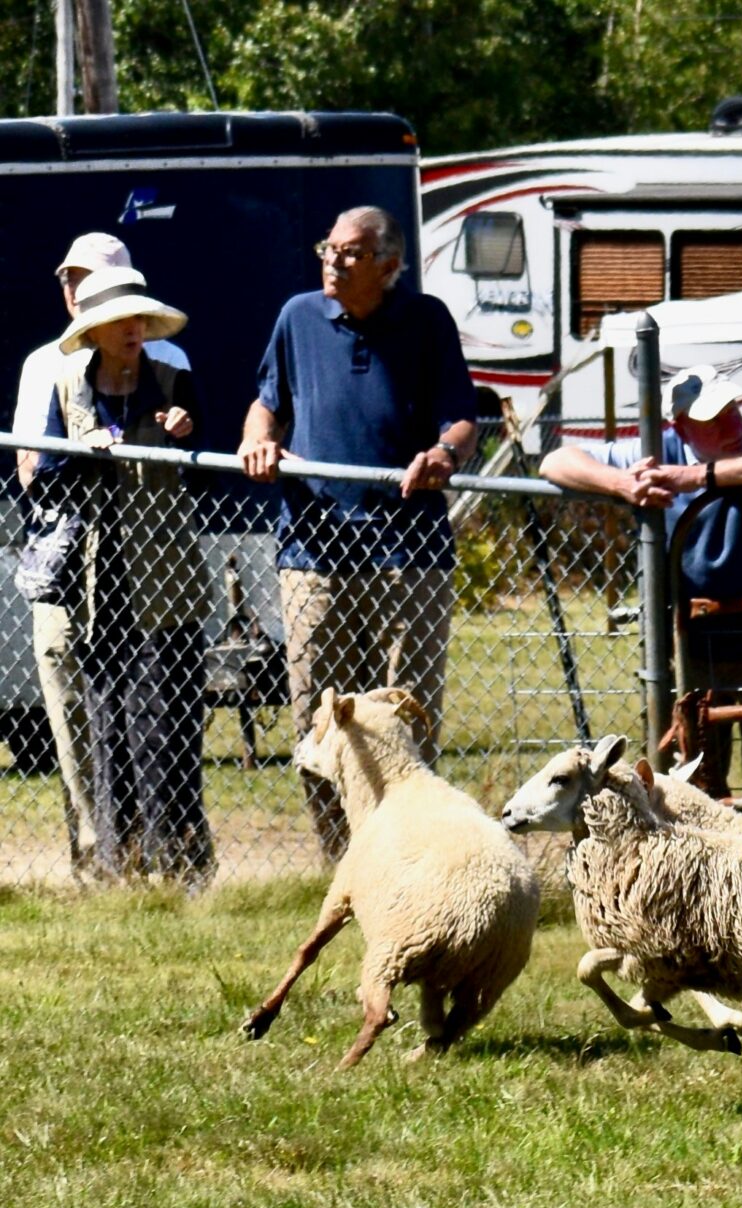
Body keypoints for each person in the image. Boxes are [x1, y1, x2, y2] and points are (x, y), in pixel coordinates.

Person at [238, 205, 478, 860]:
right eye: (328, 247)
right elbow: (268, 403)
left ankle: (408, 862)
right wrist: (257, 439)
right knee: (320, 716)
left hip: (409, 550)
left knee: (404, 716)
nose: (332, 261)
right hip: (313, 549)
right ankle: (341, 865)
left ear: (390, 265)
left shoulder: (426, 322)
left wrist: (444, 457)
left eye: (350, 252)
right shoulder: (297, 318)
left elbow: (463, 418)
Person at [541, 366, 742, 800]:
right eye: (713, 419)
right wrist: (621, 483)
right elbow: (555, 460)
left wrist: (696, 478)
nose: (732, 426)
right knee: (697, 781)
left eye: (731, 410)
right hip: (694, 646)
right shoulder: (658, 450)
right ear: (681, 428)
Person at [28, 267, 215, 885]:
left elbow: (208, 469)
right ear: (96, 330)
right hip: (98, 584)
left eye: (140, 317)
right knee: (108, 729)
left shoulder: (173, 379)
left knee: (170, 727)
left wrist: (185, 431)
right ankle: (123, 868)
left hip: (169, 581)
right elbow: (46, 477)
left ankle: (185, 867)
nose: (135, 328)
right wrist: (89, 456)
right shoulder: (67, 388)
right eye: (122, 319)